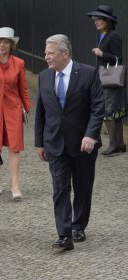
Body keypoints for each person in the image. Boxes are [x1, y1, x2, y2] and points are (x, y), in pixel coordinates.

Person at [34, 34, 104, 251]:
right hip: (54, 143)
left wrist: (91, 134)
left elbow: (98, 107)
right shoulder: (44, 76)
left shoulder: (88, 74)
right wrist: (39, 142)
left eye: (50, 53)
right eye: (46, 53)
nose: (46, 57)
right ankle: (64, 235)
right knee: (60, 188)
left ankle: (78, 225)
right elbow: (41, 112)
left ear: (65, 54)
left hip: (84, 144)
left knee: (82, 187)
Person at [0, 27, 31, 200]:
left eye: (6, 42)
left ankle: (15, 184)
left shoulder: (19, 63)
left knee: (15, 148)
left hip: (13, 110)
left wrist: (27, 108)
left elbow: (23, 89)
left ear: (11, 45)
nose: (2, 45)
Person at [86, 5, 127, 156]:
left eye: (99, 19)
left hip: (110, 79)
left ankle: (113, 144)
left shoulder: (113, 36)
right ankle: (120, 144)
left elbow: (118, 58)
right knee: (115, 112)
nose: (95, 22)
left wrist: (101, 53)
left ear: (107, 21)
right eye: (95, 19)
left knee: (108, 112)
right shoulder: (105, 34)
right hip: (107, 78)